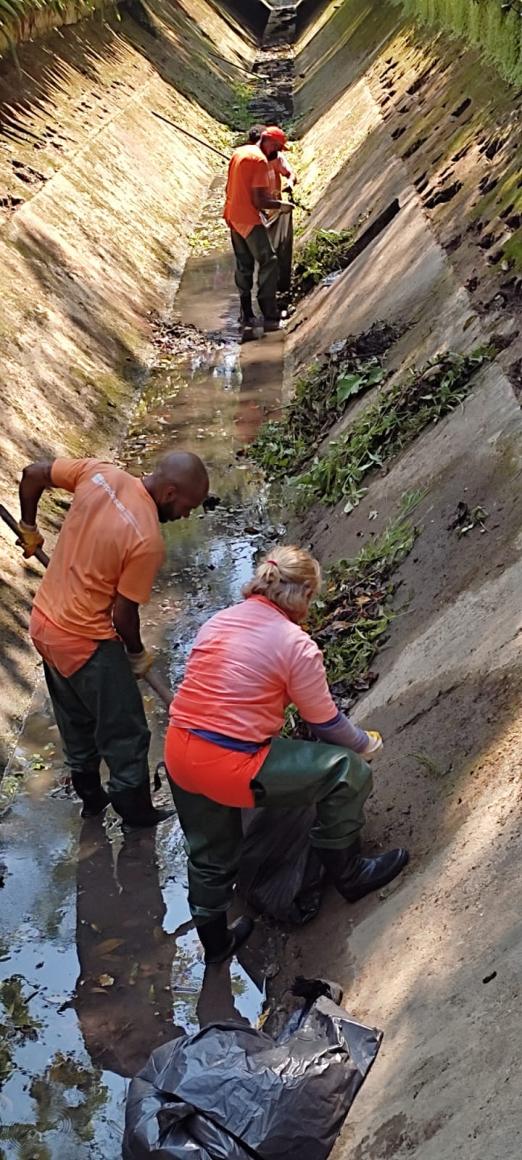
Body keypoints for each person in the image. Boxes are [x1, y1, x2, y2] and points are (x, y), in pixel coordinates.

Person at [164, 545, 409, 964]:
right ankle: (349, 874)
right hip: (232, 763)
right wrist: (365, 745)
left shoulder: (218, 622)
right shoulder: (296, 645)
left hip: (179, 753)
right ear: (305, 595)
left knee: (208, 854)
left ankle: (217, 946)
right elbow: (326, 723)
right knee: (347, 772)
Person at [17, 451, 209, 827]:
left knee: (76, 722)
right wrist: (136, 655)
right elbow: (122, 616)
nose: (189, 514)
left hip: (44, 625)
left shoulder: (98, 473)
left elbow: (31, 474)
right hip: (85, 641)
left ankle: (91, 801)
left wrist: (28, 525)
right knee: (128, 734)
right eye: (190, 505)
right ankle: (137, 816)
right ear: (171, 493)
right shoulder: (146, 539)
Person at [223, 128, 293, 330]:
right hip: (247, 218)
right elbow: (259, 199)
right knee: (269, 260)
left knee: (244, 263)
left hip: (233, 215)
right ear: (270, 142)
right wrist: (280, 205)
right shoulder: (260, 161)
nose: (278, 152)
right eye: (278, 148)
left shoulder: (240, 152)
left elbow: (230, 187)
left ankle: (246, 313)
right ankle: (269, 311)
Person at [247, 124, 296, 295]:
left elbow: (290, 172)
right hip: (256, 213)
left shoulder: (275, 158)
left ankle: (276, 289)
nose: (276, 150)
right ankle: (263, 296)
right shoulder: (252, 160)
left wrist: (290, 182)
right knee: (261, 255)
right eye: (275, 146)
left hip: (275, 209)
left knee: (274, 252)